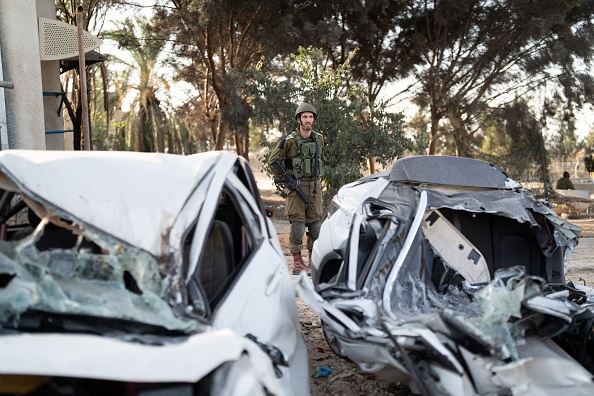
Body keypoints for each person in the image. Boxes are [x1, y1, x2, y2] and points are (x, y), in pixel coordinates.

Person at [268, 103, 325, 275]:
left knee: (316, 227)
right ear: (298, 119)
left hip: (314, 189)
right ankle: (298, 264)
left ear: (314, 119)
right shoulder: (289, 141)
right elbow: (273, 161)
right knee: (298, 227)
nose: (308, 120)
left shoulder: (319, 139)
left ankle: (312, 262)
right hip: (295, 190)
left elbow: (320, 160)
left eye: (310, 117)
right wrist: (287, 178)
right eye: (305, 116)